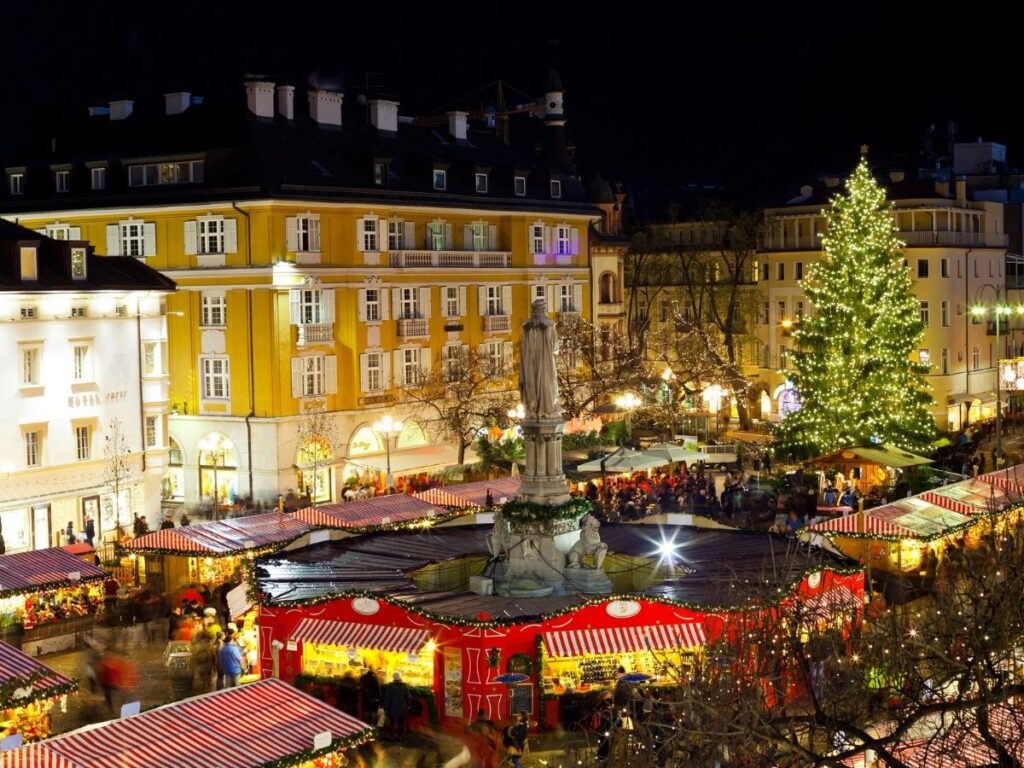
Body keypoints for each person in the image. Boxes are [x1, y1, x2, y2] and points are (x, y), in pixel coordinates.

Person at [383, 671, 411, 739]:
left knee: (391, 722)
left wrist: (385, 708)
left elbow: (387, 697)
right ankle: (400, 736)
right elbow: (408, 696)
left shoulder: (390, 685)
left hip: (392, 706)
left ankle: (391, 735)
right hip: (402, 706)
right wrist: (409, 705)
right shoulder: (405, 685)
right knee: (401, 722)